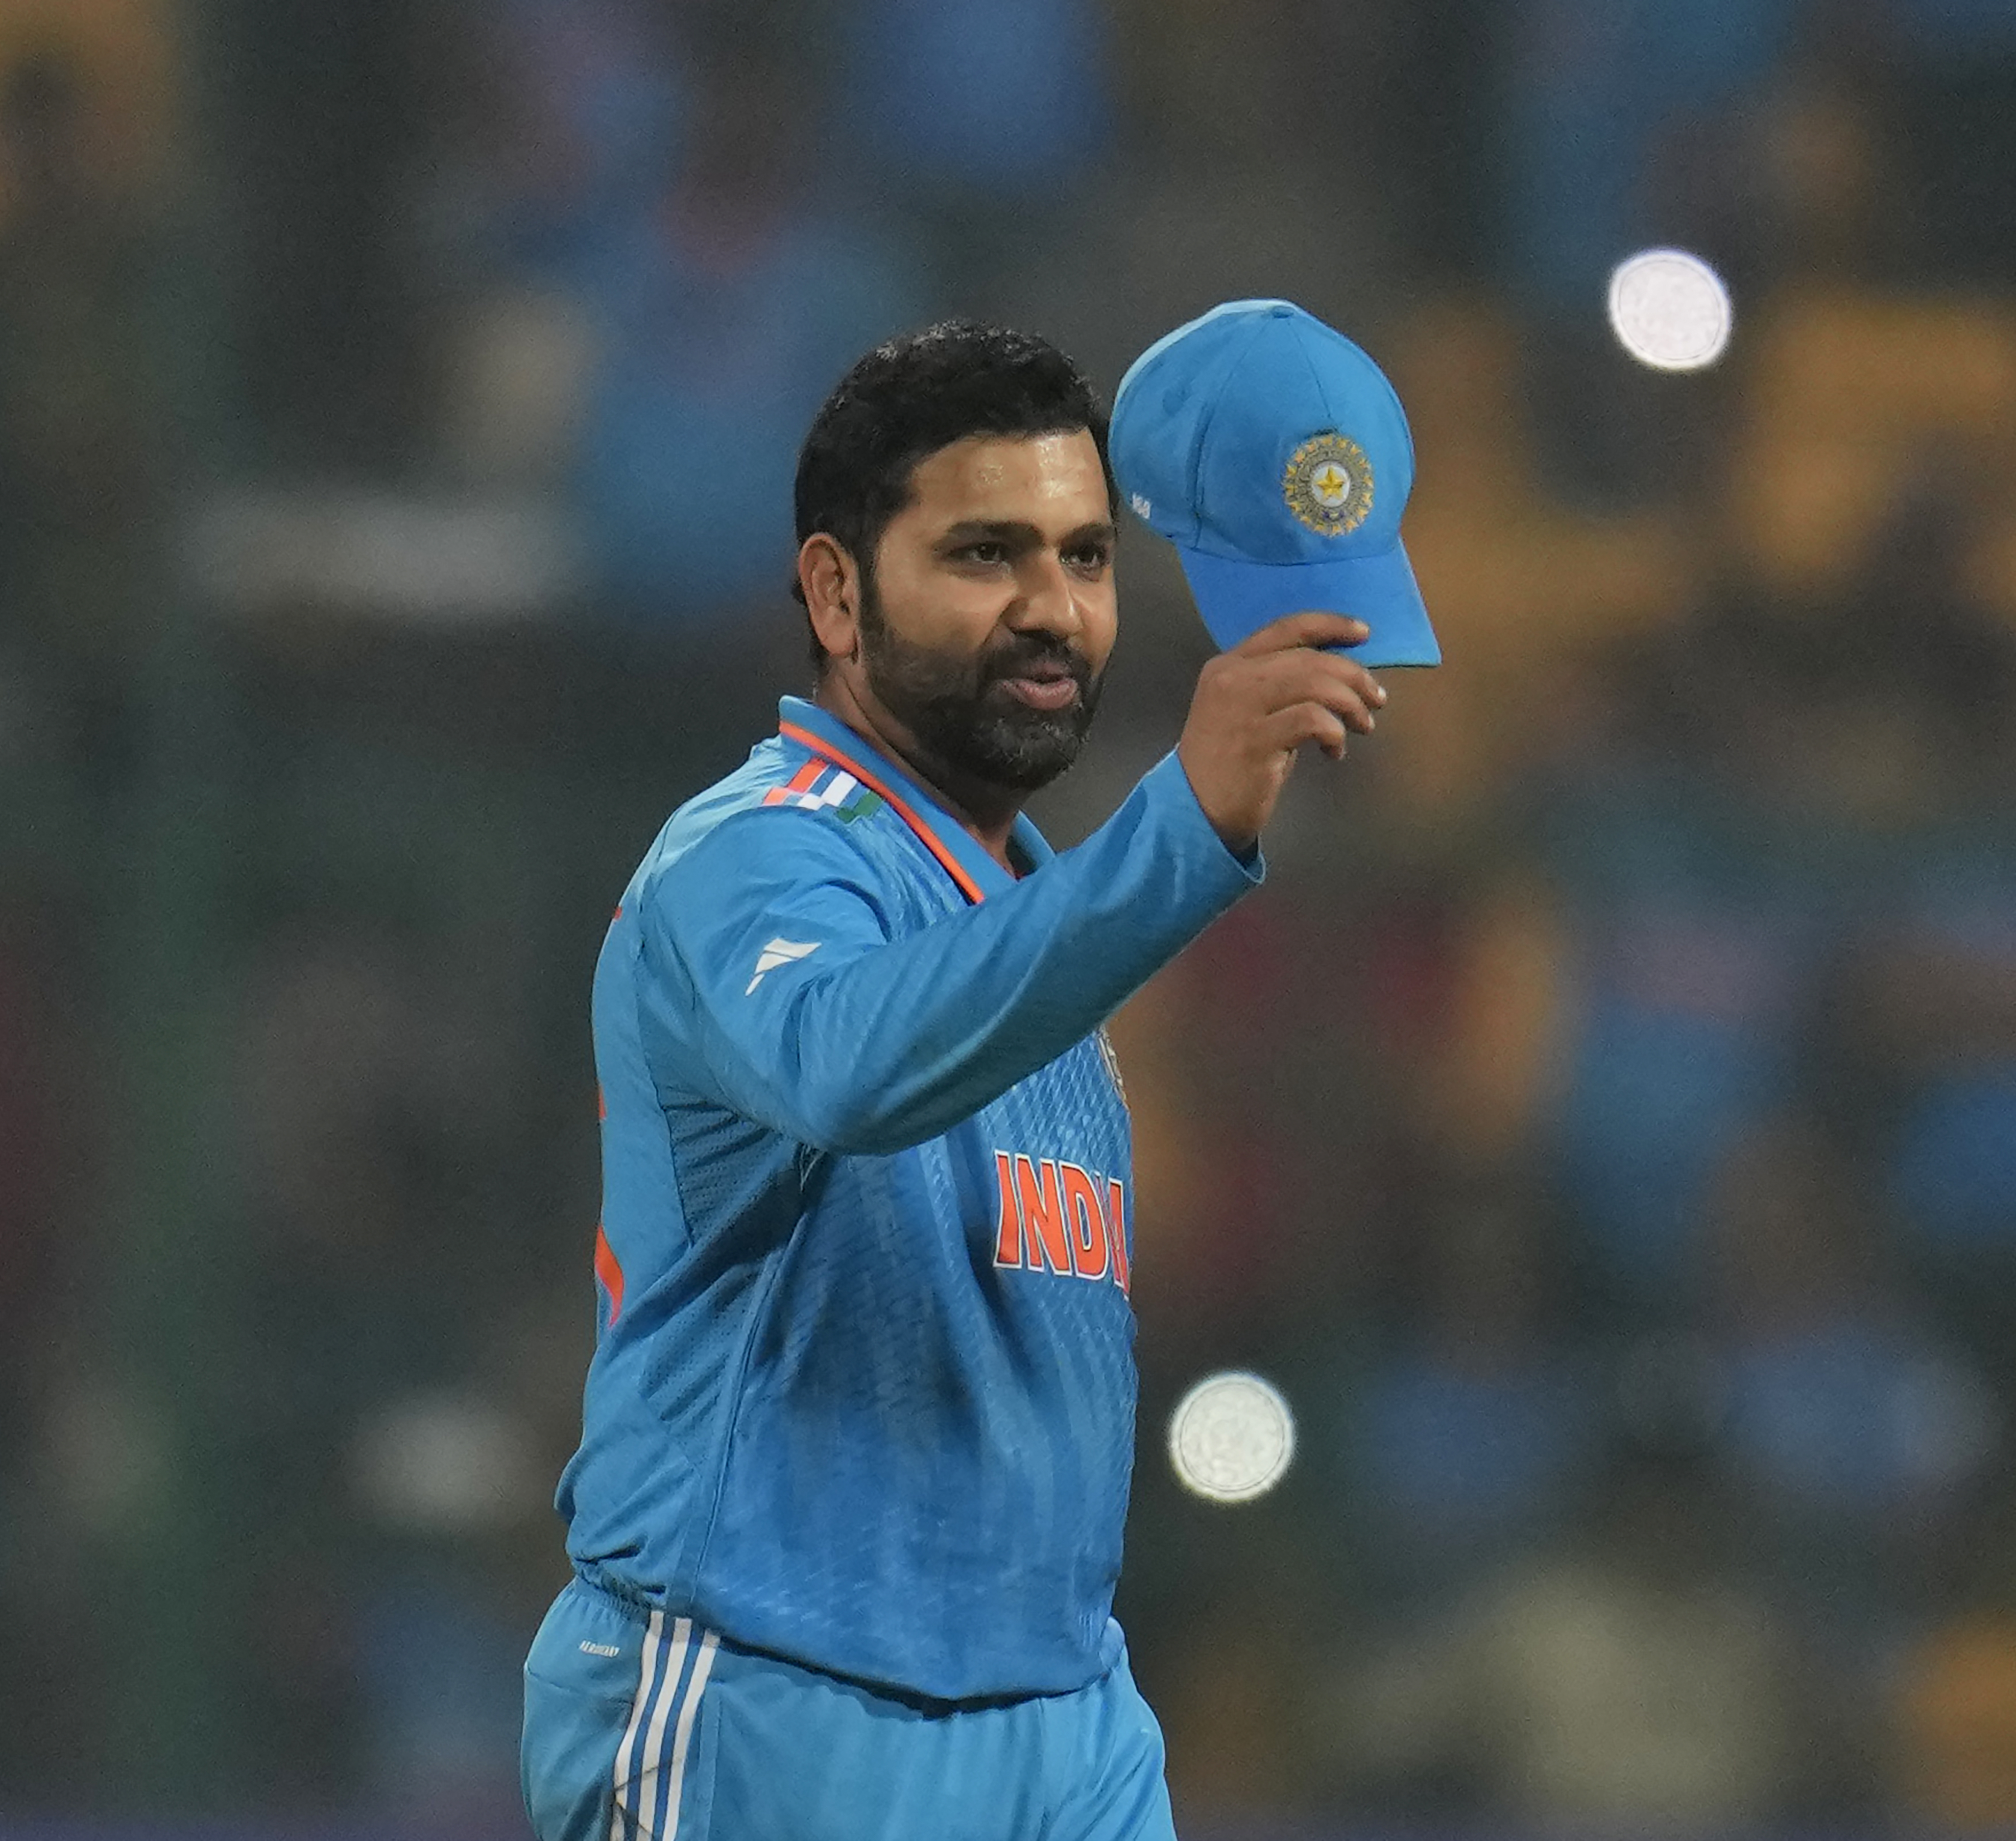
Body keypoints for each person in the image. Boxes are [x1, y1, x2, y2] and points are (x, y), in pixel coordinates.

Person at [518, 320, 1398, 1839]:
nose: (1053, 609)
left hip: (1059, 1722)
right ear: (837, 593)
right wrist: (1179, 825)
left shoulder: (1027, 917)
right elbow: (848, 1066)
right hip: (765, 1705)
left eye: (1085, 556)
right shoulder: (755, 853)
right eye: (986, 555)